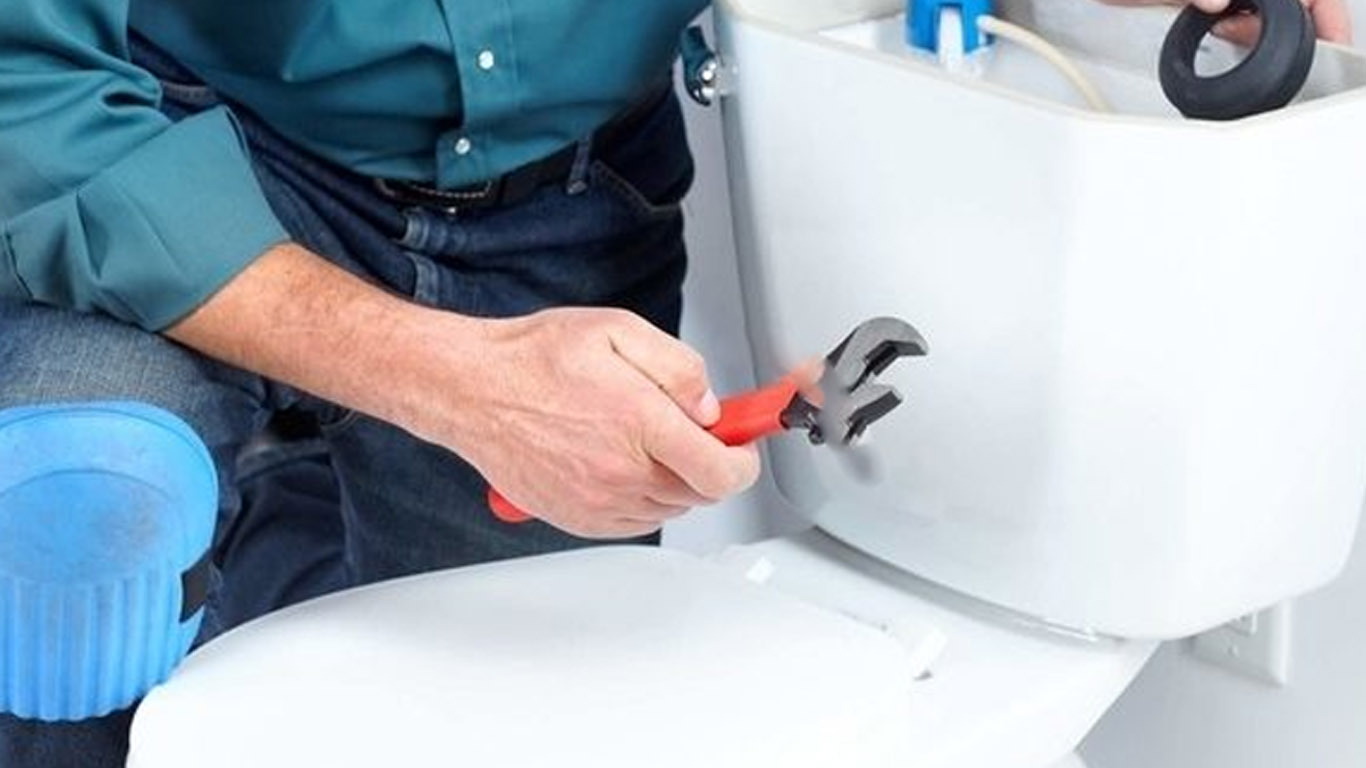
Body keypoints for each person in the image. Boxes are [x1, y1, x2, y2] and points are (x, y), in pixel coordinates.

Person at [0, 3, 759, 765]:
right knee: (72, 521)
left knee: (517, 717)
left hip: (571, 195)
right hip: (192, 156)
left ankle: (280, 505)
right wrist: (468, 387)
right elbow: (26, 80)